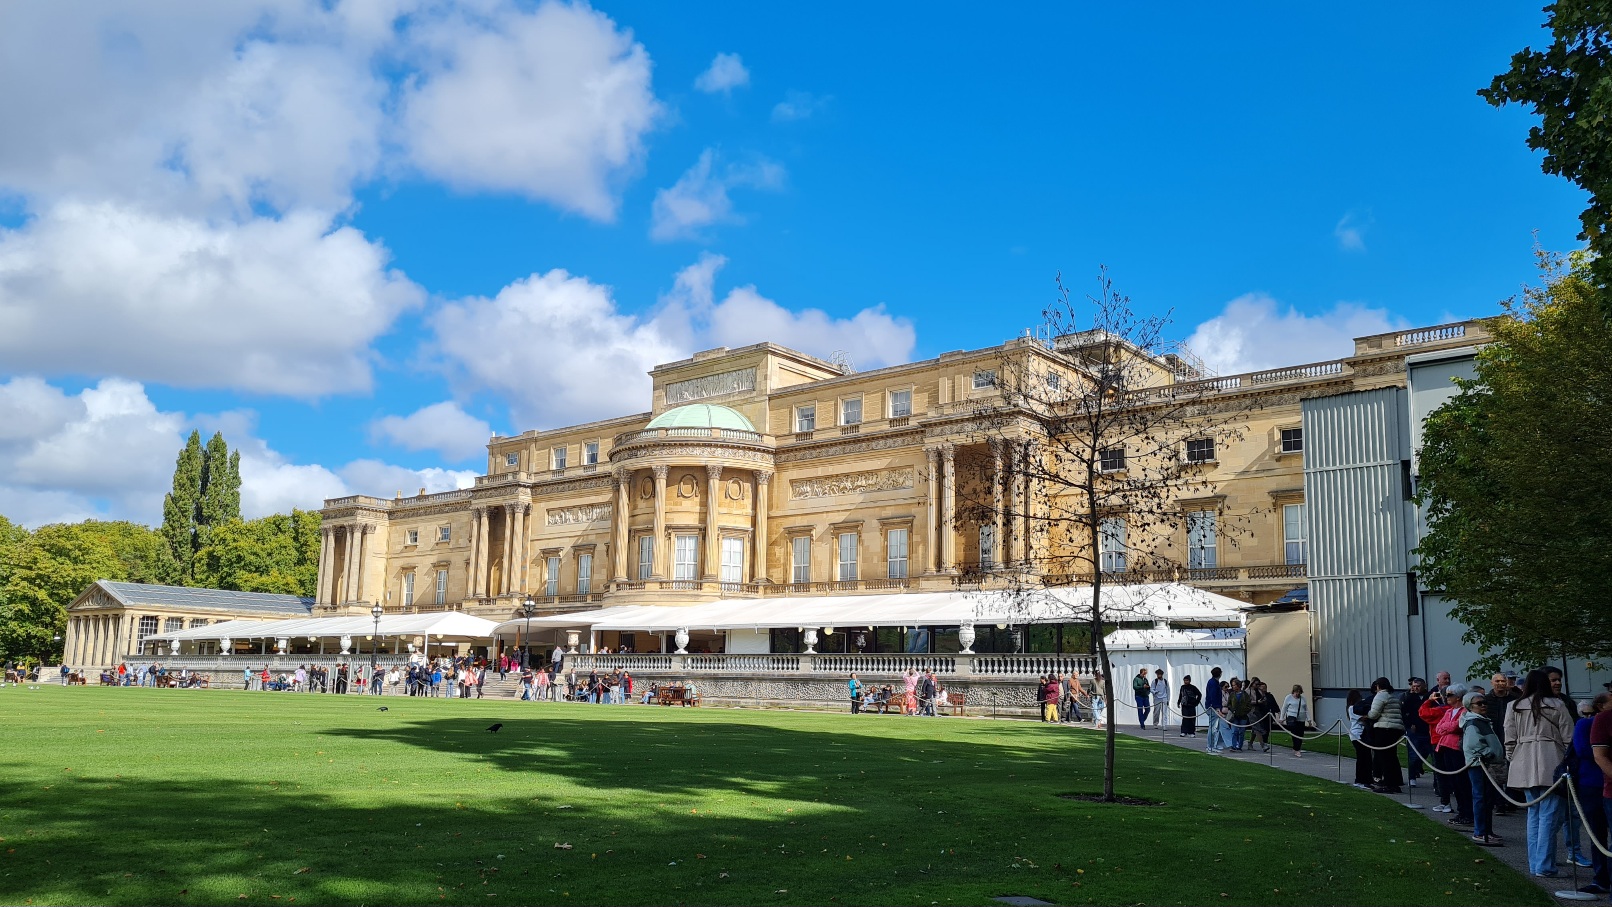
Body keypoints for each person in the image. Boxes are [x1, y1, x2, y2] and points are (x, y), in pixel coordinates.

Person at [1506, 668, 1575, 878]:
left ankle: (1536, 863)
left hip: (1523, 760)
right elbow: (1569, 737)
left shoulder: (1514, 706)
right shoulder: (1557, 705)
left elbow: (1509, 737)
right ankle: (1544, 865)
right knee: (1549, 816)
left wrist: (1513, 758)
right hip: (1551, 759)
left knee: (1534, 815)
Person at [1570, 693, 1611, 891]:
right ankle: (1601, 877)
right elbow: (1583, 751)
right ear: (1601, 706)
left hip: (1601, 783)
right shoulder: (1586, 724)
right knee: (1597, 833)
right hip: (1593, 783)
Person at [1461, 691, 1507, 847]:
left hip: (1487, 764)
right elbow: (1473, 746)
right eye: (1479, 703)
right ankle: (1480, 832)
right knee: (1480, 798)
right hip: (1479, 765)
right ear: (1470, 706)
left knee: (1488, 799)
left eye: (1484, 702)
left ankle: (1487, 830)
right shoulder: (1473, 723)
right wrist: (1490, 754)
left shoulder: (1483, 721)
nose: (1483, 706)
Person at [1423, 683, 1473, 822]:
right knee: (1455, 782)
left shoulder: (1464, 711)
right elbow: (1439, 728)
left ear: (1458, 697)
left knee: (1462, 783)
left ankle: (1467, 812)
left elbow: (1457, 726)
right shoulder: (1449, 711)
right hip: (1445, 747)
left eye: (1450, 695)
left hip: (1457, 749)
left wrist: (1448, 727)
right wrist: (1448, 727)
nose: (1446, 697)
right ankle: (1461, 812)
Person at [1365, 677, 1405, 794]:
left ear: (1378, 686)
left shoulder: (1380, 696)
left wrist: (1366, 715)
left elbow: (1374, 714)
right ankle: (1394, 782)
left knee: (1384, 757)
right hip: (1395, 729)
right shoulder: (1393, 697)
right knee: (1391, 756)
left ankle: (1388, 784)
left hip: (1384, 728)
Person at [1402, 677, 1432, 788]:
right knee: (1413, 755)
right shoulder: (1409, 697)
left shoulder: (1429, 697)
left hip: (1427, 729)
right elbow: (1404, 713)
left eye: (1418, 686)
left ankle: (1419, 768)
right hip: (1414, 730)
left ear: (1424, 686)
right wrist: (1409, 725)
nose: (1415, 688)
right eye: (1414, 686)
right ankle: (1412, 777)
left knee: (1426, 753)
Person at [1281, 684, 1309, 756]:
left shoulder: (1303, 698)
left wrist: (1309, 719)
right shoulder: (1288, 697)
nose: (1298, 694)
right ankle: (1297, 750)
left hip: (1301, 718)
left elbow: (1306, 709)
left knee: (1300, 734)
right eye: (1296, 692)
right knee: (1295, 733)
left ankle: (1296, 747)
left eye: (1299, 692)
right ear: (1293, 691)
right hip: (1292, 717)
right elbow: (1284, 708)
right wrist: (1282, 718)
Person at [1204, 667, 1226, 753]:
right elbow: (1213, 696)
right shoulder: (1213, 683)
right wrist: (1216, 708)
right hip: (1213, 707)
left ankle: (1213, 745)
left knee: (1215, 728)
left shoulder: (1214, 682)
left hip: (1213, 706)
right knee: (1213, 727)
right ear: (1220, 674)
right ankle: (1210, 746)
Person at [1226, 679, 1251, 752]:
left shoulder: (1245, 694)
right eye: (1232, 685)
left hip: (1243, 716)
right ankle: (1233, 745)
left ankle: (1239, 746)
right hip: (1234, 716)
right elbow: (1229, 704)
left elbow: (1249, 705)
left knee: (1241, 732)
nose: (1233, 687)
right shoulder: (1232, 694)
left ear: (1238, 685)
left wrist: (1244, 711)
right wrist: (1232, 709)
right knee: (1234, 731)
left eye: (1234, 685)